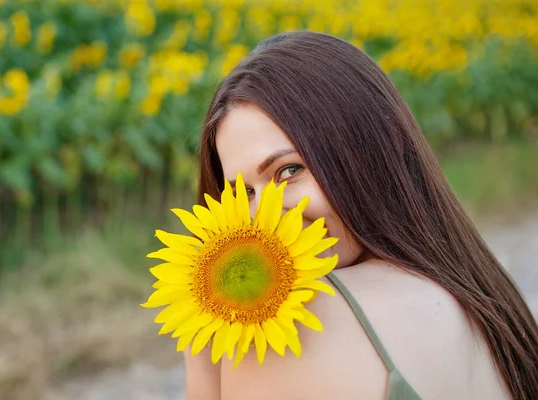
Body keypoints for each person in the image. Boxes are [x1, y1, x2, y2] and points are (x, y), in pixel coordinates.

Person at [186, 31, 538, 400]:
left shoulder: (289, 327)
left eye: (289, 171)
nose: (266, 220)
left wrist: (208, 345)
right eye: (245, 194)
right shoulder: (485, 302)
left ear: (385, 140)